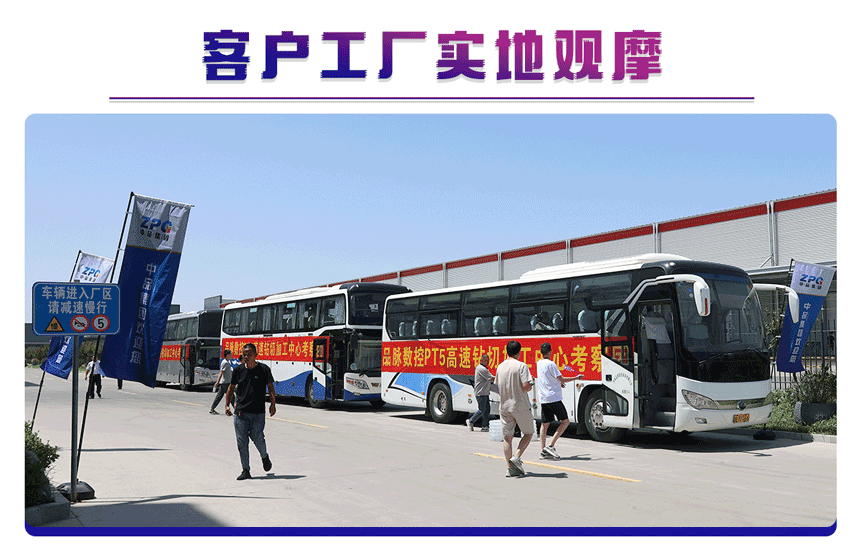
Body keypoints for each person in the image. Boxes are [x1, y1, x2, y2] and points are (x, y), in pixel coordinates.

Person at [225, 343, 276, 480]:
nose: (246, 357)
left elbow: (271, 387)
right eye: (244, 354)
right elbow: (231, 388)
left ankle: (264, 456)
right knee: (242, 442)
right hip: (241, 412)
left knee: (258, 438)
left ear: (256, 355)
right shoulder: (238, 370)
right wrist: (227, 405)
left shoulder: (264, 369)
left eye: (249, 354)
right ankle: (245, 470)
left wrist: (273, 404)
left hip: (258, 412)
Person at [536, 342, 582, 459]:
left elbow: (548, 379)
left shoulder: (539, 363)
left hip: (544, 398)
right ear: (550, 352)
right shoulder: (551, 364)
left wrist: (558, 383)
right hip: (554, 398)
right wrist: (577, 377)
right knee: (565, 422)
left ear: (541, 352)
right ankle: (551, 445)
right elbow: (562, 379)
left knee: (545, 425)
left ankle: (543, 451)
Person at [496, 340, 535, 477]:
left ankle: (510, 468)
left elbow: (497, 384)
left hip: (504, 406)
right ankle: (516, 457)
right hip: (520, 405)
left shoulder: (500, 366)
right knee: (528, 433)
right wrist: (531, 383)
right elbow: (526, 386)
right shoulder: (521, 366)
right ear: (519, 352)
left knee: (507, 438)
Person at [467, 354, 494, 432]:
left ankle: (485, 426)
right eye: (485, 361)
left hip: (485, 392)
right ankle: (471, 421)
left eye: (488, 361)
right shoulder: (481, 369)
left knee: (487, 410)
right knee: (482, 410)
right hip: (480, 393)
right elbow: (491, 378)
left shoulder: (484, 368)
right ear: (481, 360)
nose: (487, 362)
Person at [210, 349, 234, 414]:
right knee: (230, 396)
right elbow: (221, 372)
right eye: (230, 354)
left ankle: (212, 408)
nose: (231, 355)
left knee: (226, 396)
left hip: (227, 382)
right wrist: (217, 382)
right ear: (227, 355)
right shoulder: (225, 362)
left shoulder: (228, 362)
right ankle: (212, 409)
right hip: (224, 383)